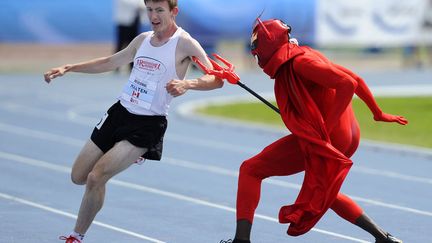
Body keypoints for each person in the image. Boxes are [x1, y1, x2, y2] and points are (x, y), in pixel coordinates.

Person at [44, 0, 223, 242]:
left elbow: (215, 79)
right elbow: (111, 62)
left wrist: (187, 83)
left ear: (174, 12)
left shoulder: (185, 43)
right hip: (119, 113)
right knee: (78, 176)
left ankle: (76, 236)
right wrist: (70, 67)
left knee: (96, 177)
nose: (153, 16)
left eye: (159, 10)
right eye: (149, 10)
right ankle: (122, 160)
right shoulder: (142, 39)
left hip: (147, 124)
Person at [220, 18, 407, 243]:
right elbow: (355, 77)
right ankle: (384, 238)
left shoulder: (300, 62)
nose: (254, 50)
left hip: (331, 136)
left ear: (270, 44)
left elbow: (348, 84)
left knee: (251, 169)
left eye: (256, 44)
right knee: (324, 192)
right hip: (348, 135)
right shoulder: (302, 54)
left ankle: (241, 240)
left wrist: (324, 131)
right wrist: (377, 113)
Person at [114, 0, 146, 72]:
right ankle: (116, 66)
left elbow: (143, 5)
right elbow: (135, 4)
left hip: (134, 23)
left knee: (134, 45)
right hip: (124, 23)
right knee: (121, 45)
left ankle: (132, 66)